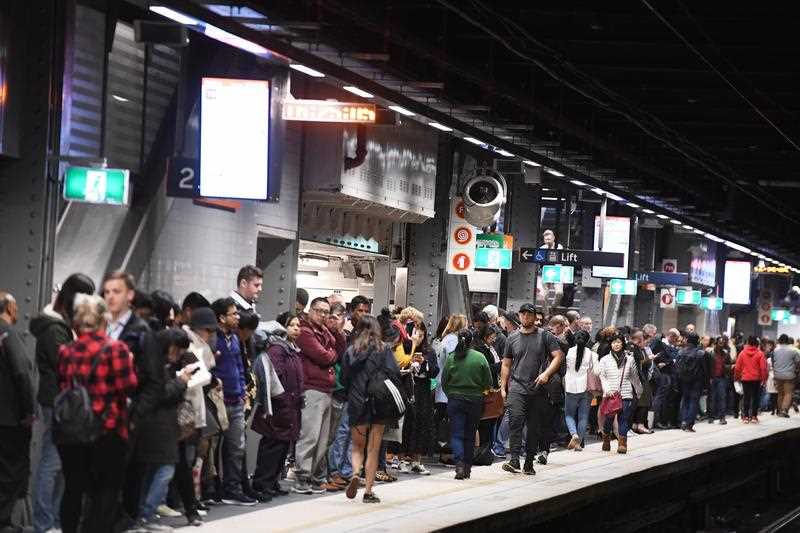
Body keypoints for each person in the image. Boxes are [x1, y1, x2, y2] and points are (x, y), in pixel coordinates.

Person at [57, 294, 138, 533]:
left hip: (72, 431)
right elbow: (128, 387)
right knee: (106, 492)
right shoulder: (117, 350)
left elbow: (64, 386)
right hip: (108, 429)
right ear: (104, 320)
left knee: (73, 489)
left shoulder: (65, 351)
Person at [29, 274, 95, 533]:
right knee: (53, 462)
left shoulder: (60, 326)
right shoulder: (54, 329)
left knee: (60, 464)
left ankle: (54, 521)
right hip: (58, 401)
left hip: (63, 400)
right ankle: (44, 523)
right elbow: (66, 365)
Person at [134, 328, 196, 531]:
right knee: (164, 470)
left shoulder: (156, 362)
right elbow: (159, 394)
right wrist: (181, 382)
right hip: (156, 425)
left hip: (158, 424)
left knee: (152, 472)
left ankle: (143, 515)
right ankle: (147, 514)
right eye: (177, 350)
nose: (178, 355)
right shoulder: (155, 365)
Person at [341, 315, 401, 503]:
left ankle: (355, 473)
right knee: (373, 449)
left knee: (357, 447)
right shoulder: (384, 349)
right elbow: (394, 373)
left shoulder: (351, 351)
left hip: (357, 401)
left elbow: (343, 378)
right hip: (378, 402)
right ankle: (368, 490)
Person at [500, 303, 564, 475]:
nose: (526, 317)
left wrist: (547, 374)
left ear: (535, 317)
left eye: (529, 314)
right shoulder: (511, 338)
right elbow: (506, 363)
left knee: (534, 427)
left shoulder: (545, 336)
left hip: (538, 388)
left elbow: (558, 356)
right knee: (515, 421)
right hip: (517, 387)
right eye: (523, 314)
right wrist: (503, 386)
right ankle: (514, 459)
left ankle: (529, 461)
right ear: (519, 316)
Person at [209, 297, 255, 506]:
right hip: (216, 401)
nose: (237, 317)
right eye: (233, 314)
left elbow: (239, 366)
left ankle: (232, 489)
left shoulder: (235, 339)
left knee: (237, 447)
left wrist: (243, 389)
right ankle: (211, 489)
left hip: (236, 401)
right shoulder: (211, 338)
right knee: (212, 448)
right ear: (221, 317)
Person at [251, 316, 302, 498]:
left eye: (298, 325)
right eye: (292, 325)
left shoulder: (290, 349)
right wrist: (284, 399)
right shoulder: (277, 350)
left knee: (281, 446)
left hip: (288, 405)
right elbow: (276, 378)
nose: (296, 328)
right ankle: (262, 483)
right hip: (279, 405)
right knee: (272, 445)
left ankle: (272, 482)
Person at [293, 297, 338, 494]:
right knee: (309, 435)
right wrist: (330, 352)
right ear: (310, 310)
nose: (322, 315)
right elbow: (324, 356)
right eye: (319, 310)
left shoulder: (324, 332)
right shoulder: (304, 331)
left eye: (326, 312)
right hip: (312, 389)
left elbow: (338, 349)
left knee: (323, 438)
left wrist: (333, 332)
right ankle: (302, 476)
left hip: (327, 389)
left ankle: (313, 477)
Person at [0, 292, 35, 533]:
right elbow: (22, 373)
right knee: (10, 471)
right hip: (11, 417)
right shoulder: (8, 333)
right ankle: (4, 522)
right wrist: (28, 410)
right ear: (10, 308)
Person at [442, 329, 492, 480]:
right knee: (470, 435)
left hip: (455, 400)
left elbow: (444, 381)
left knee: (456, 434)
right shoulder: (480, 357)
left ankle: (459, 466)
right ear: (472, 341)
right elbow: (488, 382)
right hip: (475, 401)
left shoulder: (452, 357)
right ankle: (468, 468)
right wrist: (481, 391)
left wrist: (451, 393)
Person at [400, 321, 438, 475]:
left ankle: (417, 460)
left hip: (423, 390)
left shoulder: (429, 351)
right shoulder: (403, 349)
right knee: (406, 424)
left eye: (422, 335)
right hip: (407, 388)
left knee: (422, 424)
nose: (419, 338)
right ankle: (401, 458)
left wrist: (425, 363)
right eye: (416, 334)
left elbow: (435, 371)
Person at [595, 333, 642, 454]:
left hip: (626, 393)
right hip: (610, 393)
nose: (616, 345)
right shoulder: (605, 359)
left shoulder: (629, 359)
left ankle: (622, 443)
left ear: (623, 343)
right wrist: (607, 389)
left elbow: (634, 376)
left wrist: (639, 390)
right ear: (610, 344)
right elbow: (602, 376)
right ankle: (606, 438)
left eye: (618, 342)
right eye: (614, 342)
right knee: (609, 419)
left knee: (624, 418)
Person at [564, 330, 596, 451]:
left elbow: (566, 367)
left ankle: (574, 435)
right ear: (587, 340)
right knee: (583, 416)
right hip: (585, 388)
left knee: (569, 414)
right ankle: (579, 443)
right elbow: (592, 370)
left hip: (570, 386)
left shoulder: (570, 351)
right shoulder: (590, 353)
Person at [676, 332, 708, 432]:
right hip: (696, 381)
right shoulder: (701, 353)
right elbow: (705, 370)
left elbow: (677, 367)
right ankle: (689, 424)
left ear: (687, 340)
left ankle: (683, 421)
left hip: (683, 380)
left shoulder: (680, 352)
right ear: (697, 341)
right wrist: (706, 383)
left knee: (685, 400)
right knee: (693, 402)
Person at [734, 336, 767, 423]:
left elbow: (737, 367)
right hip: (756, 379)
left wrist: (736, 377)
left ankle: (745, 417)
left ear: (747, 343)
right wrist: (764, 379)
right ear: (757, 343)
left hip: (745, 379)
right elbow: (763, 368)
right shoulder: (760, 354)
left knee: (746, 398)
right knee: (755, 398)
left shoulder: (742, 353)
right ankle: (754, 417)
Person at [629, 329, 655, 434]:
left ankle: (638, 424)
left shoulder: (642, 349)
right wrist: (649, 359)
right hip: (636, 379)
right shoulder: (633, 349)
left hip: (643, 378)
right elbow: (636, 364)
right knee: (637, 403)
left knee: (644, 403)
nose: (646, 344)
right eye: (644, 341)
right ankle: (636, 425)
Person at [772, 334, 800, 417]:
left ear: (779, 340)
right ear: (787, 341)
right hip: (789, 375)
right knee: (788, 393)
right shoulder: (793, 350)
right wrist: (796, 370)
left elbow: (773, 362)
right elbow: (798, 362)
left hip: (777, 375)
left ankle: (780, 410)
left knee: (780, 393)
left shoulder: (775, 350)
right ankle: (784, 410)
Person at [708, 336, 732, 424]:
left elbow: (730, 364)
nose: (721, 345)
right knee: (712, 398)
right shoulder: (710, 353)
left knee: (722, 397)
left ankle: (722, 417)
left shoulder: (726, 353)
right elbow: (707, 367)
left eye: (723, 343)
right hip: (712, 378)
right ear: (716, 343)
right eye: (720, 343)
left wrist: (726, 368)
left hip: (722, 378)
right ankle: (711, 417)